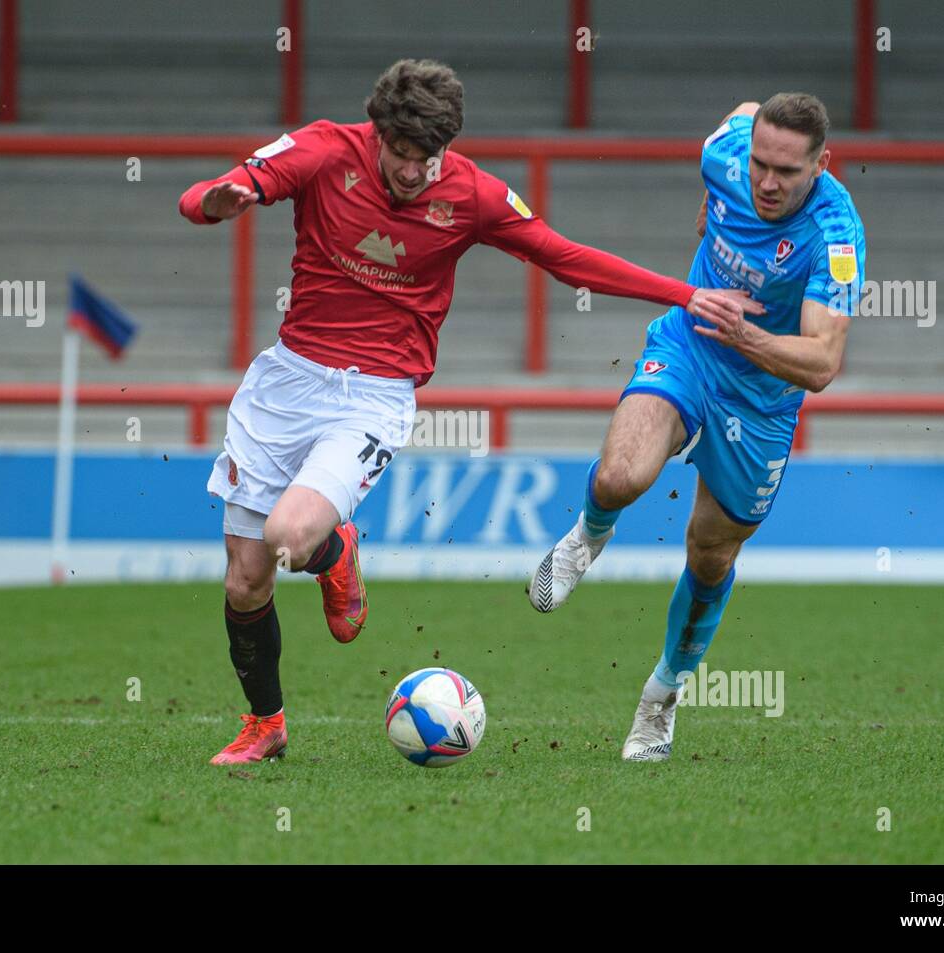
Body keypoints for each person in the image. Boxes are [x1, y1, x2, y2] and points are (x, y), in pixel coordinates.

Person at [179, 58, 759, 766]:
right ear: (379, 133)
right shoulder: (326, 149)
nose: (413, 171)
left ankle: (335, 550)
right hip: (285, 381)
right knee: (244, 578)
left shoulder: (473, 194)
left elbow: (563, 256)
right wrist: (219, 200)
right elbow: (209, 193)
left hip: (375, 391)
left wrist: (683, 293)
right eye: (401, 154)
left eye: (429, 157)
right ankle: (265, 724)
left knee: (289, 535)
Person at [528, 93, 866, 762]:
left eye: (787, 172)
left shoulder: (838, 237)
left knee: (710, 554)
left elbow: (824, 362)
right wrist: (711, 226)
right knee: (624, 474)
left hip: (764, 399)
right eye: (760, 164)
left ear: (822, 165)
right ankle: (587, 538)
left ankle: (661, 694)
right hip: (689, 344)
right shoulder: (724, 154)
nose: (766, 183)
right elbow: (742, 110)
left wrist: (747, 334)